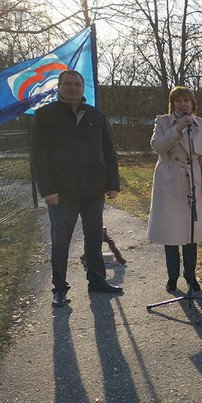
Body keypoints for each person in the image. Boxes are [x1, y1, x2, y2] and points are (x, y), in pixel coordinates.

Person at [31, 69, 122, 308]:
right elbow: (39, 158)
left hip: (93, 189)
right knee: (61, 241)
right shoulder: (45, 116)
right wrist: (47, 190)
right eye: (68, 84)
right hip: (62, 192)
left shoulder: (96, 116)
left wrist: (113, 183)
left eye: (77, 84)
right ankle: (59, 288)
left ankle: (97, 281)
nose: (73, 88)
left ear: (83, 88)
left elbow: (109, 151)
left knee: (93, 238)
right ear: (59, 87)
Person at [147, 86, 202, 294]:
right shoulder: (162, 122)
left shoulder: (200, 125)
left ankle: (191, 276)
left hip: (191, 182)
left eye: (186, 100)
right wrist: (177, 129)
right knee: (171, 233)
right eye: (178, 101)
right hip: (168, 181)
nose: (182, 104)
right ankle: (172, 277)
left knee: (190, 234)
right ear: (172, 103)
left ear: (192, 103)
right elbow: (157, 146)